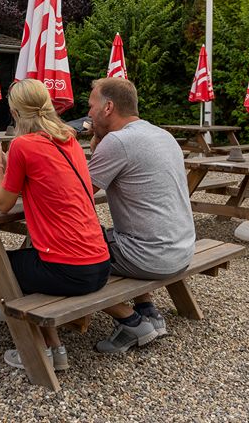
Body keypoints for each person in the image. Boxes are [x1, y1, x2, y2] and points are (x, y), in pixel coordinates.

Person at [0, 79, 111, 371]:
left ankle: (35, 348)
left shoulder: (22, 145)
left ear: (15, 113)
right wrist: (5, 161)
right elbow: (41, 176)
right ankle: (56, 347)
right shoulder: (68, 138)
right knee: (28, 258)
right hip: (100, 263)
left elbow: (3, 203)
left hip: (68, 271)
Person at [86, 77, 196, 353]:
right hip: (182, 248)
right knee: (112, 234)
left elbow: (77, 196)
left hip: (149, 256)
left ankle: (131, 322)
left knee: (65, 252)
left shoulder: (119, 142)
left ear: (108, 107)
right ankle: (148, 309)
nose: (87, 114)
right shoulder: (162, 135)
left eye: (91, 106)